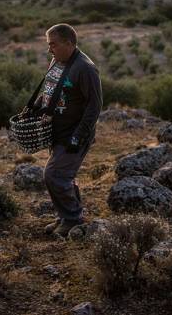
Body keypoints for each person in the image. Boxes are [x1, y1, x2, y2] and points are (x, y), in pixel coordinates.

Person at [33, 23, 102, 238]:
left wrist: (78, 136)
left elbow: (95, 105)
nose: (49, 50)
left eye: (53, 44)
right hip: (57, 132)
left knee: (54, 175)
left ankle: (73, 219)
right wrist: (34, 110)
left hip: (74, 134)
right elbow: (48, 89)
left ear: (69, 43)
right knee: (64, 176)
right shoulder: (57, 61)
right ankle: (66, 217)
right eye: (48, 45)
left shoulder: (85, 68)